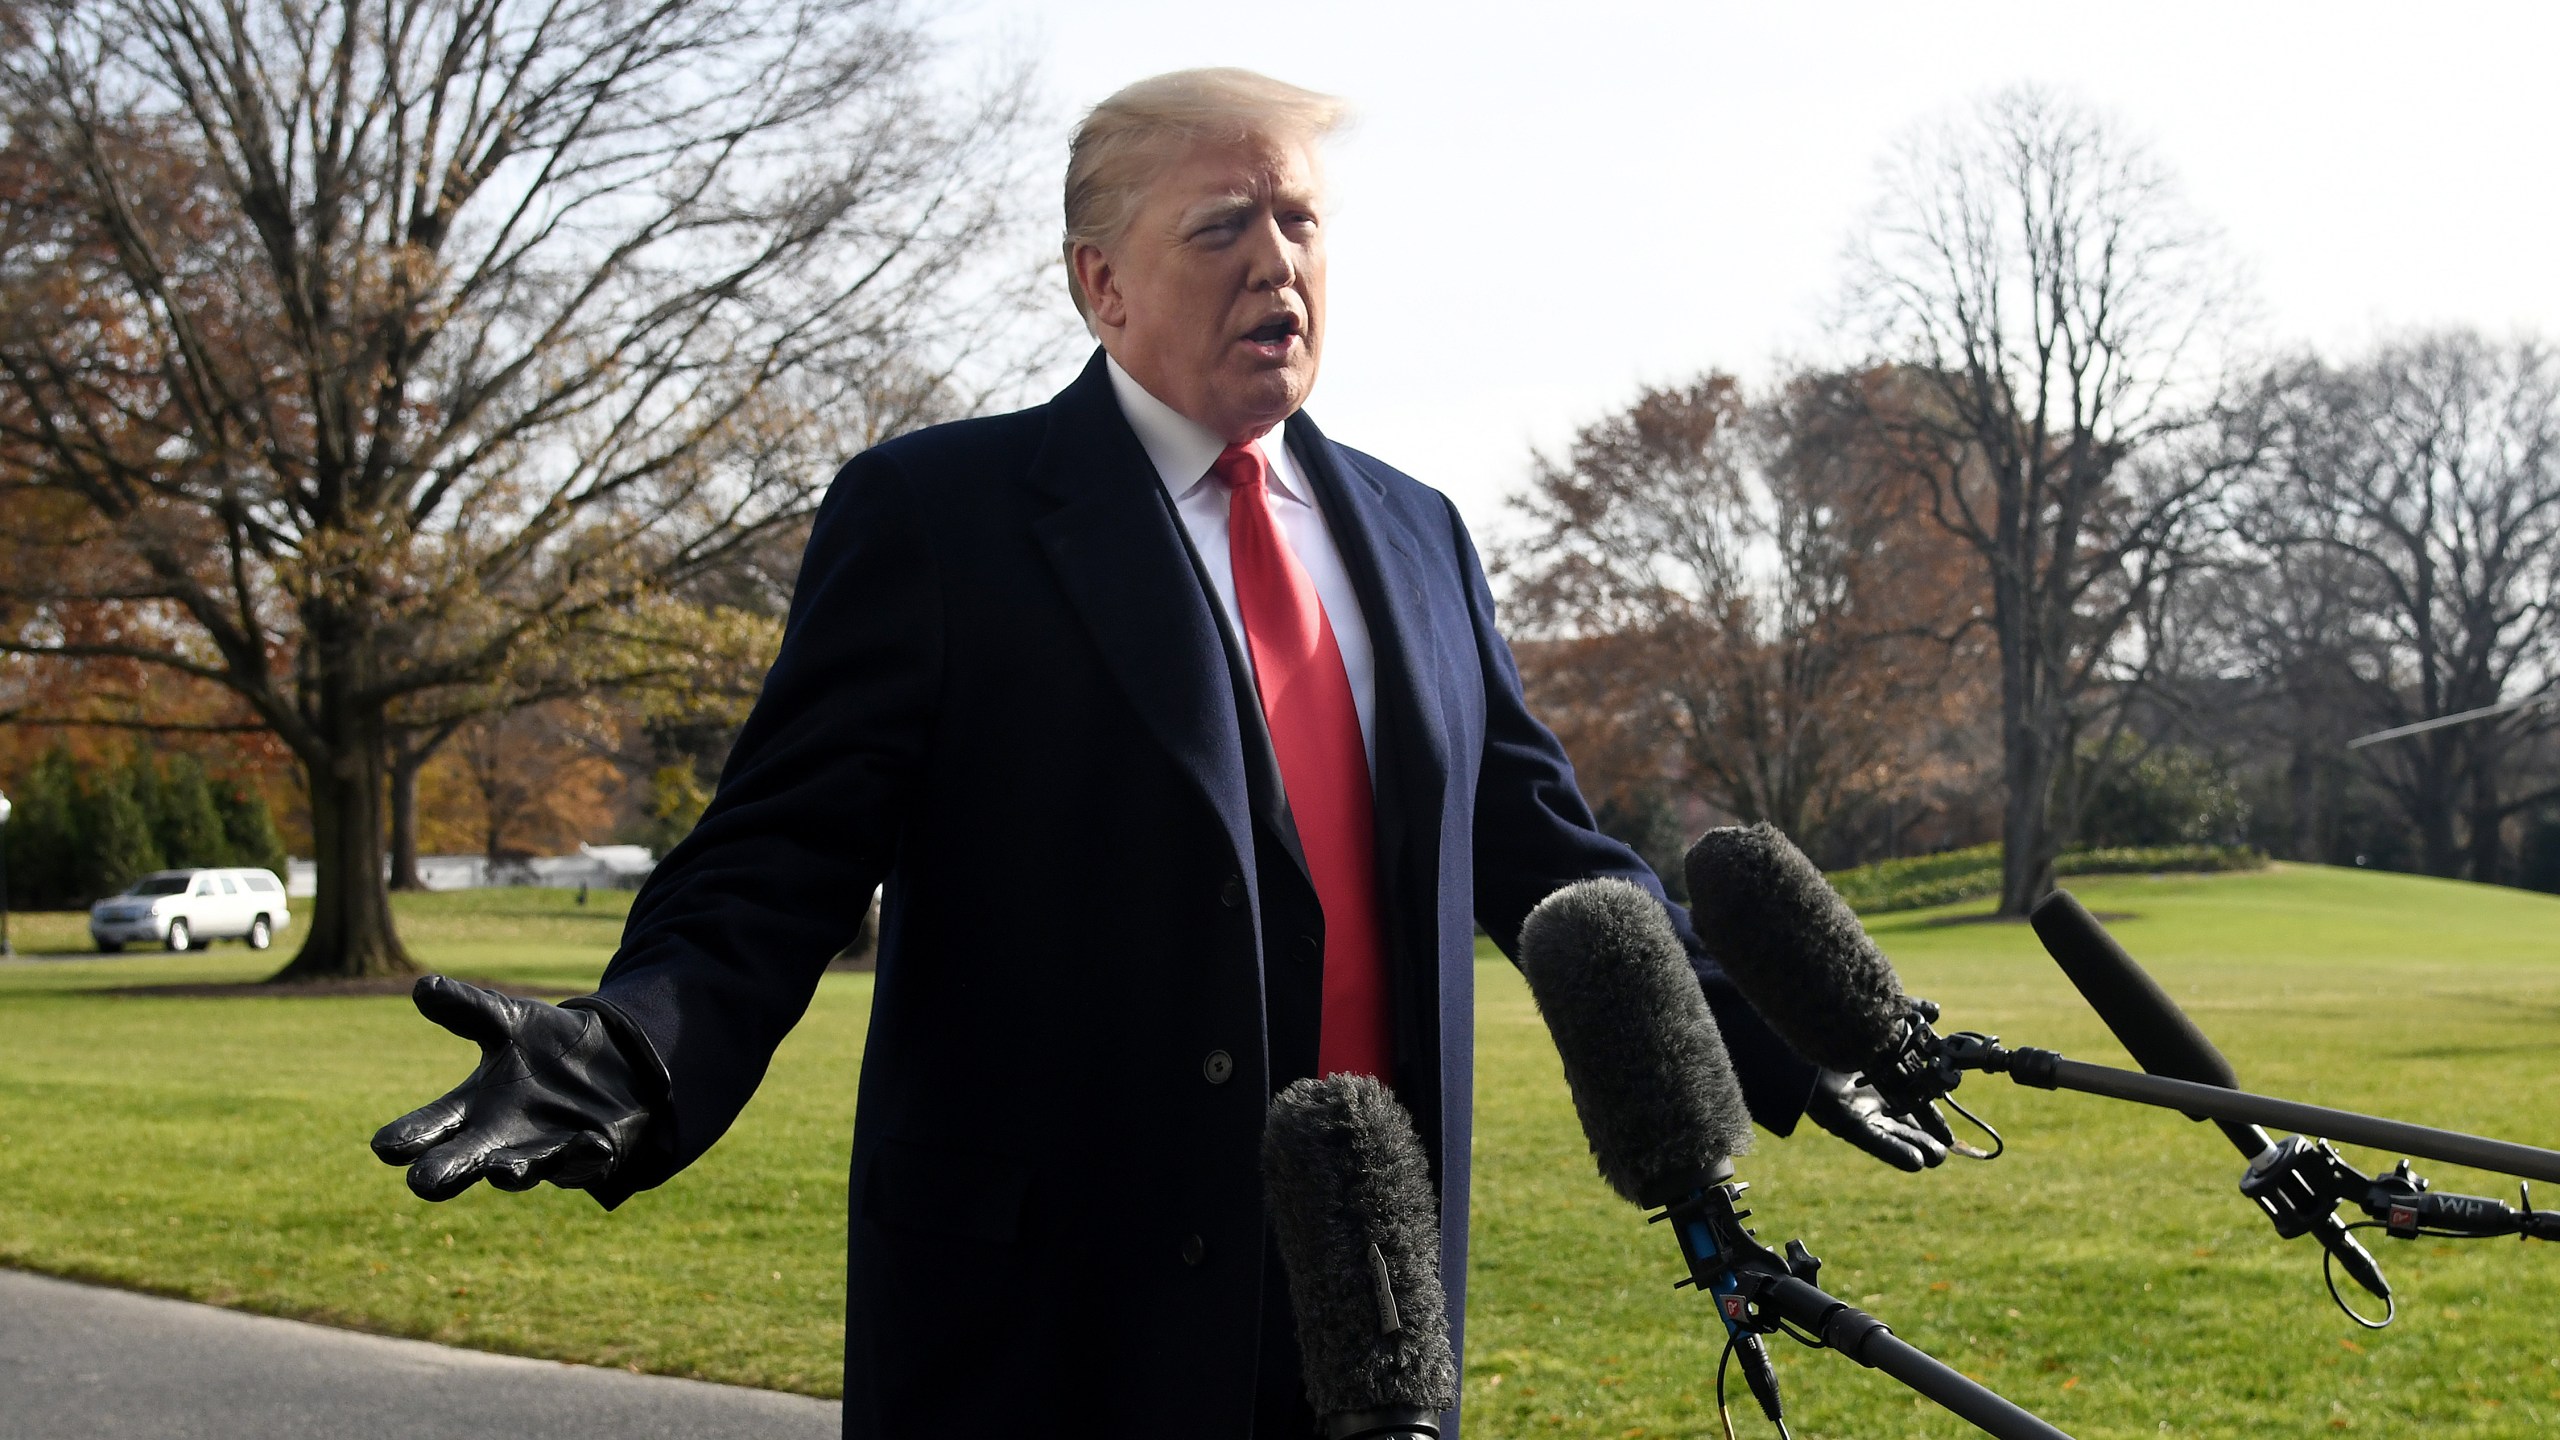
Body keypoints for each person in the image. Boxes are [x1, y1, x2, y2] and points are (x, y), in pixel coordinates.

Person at [372, 68, 1948, 1438]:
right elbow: (776, 860)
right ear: (1100, 283)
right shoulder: (942, 523)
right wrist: (634, 1049)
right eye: (1221, 228)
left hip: (1372, 1312)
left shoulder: (1418, 534)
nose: (1279, 263)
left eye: (1303, 223)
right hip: (1056, 1325)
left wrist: (1770, 1034)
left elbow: (1544, 850)